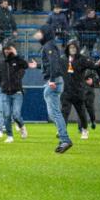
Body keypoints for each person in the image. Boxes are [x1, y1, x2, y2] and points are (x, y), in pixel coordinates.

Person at [0, 42, 35, 143]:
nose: (7, 51)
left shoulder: (18, 60)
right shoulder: (0, 60)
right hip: (5, 91)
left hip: (17, 92)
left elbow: (25, 66)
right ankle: (10, 136)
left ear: (12, 49)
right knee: (6, 115)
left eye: (9, 49)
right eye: (5, 49)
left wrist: (16, 55)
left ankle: (22, 126)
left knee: (16, 115)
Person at [31, 25, 72, 153]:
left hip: (54, 81)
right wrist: (37, 65)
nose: (37, 34)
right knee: (53, 113)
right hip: (53, 81)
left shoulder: (49, 46)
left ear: (45, 33)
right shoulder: (49, 45)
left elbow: (54, 63)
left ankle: (65, 139)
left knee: (55, 112)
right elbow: (49, 64)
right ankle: (63, 137)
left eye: (39, 32)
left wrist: (52, 80)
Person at [60, 39, 100, 139]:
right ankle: (62, 130)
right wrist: (39, 66)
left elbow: (93, 66)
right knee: (64, 112)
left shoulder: (82, 59)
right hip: (66, 91)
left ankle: (84, 129)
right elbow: (53, 67)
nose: (72, 49)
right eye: (71, 47)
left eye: (74, 47)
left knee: (81, 112)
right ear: (68, 48)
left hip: (78, 91)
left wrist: (99, 65)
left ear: (77, 48)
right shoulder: (62, 59)